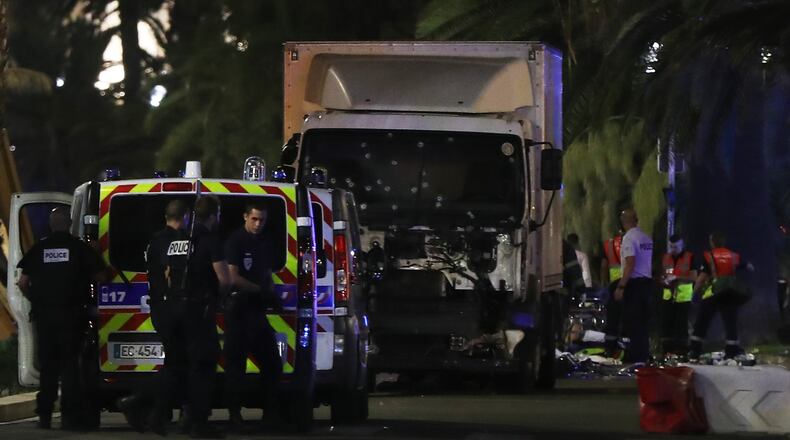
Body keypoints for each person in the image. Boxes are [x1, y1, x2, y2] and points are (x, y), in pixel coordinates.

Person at [16, 207, 107, 430]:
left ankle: (45, 416)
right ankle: (70, 416)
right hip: (71, 315)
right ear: (69, 224)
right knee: (69, 366)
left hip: (45, 316)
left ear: (50, 224)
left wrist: (35, 300)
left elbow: (22, 283)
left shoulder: (39, 248)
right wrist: (97, 255)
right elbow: (102, 277)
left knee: (48, 366)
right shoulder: (78, 248)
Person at [145, 197, 229, 438]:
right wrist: (217, 297)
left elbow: (168, 272)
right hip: (195, 310)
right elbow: (225, 280)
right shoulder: (206, 240)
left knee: (175, 364)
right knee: (202, 365)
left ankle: (156, 414)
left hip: (169, 307)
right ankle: (197, 422)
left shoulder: (168, 241)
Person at [223, 202, 283, 431]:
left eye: (262, 220)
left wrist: (272, 294)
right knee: (235, 367)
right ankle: (234, 415)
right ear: (245, 217)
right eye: (254, 219)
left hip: (256, 311)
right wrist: (261, 290)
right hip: (239, 310)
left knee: (272, 364)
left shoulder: (263, 242)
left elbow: (266, 272)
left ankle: (270, 414)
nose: (258, 224)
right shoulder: (236, 241)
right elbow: (232, 276)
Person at [688, 231, 752, 360]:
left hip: (714, 293)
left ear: (712, 242)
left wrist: (695, 293)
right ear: (724, 242)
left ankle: (695, 349)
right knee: (730, 322)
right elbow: (750, 266)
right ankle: (732, 350)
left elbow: (701, 278)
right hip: (730, 293)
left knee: (702, 321)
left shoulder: (709, 256)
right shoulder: (733, 255)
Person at [603, 208, 654, 363]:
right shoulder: (646, 238)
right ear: (636, 220)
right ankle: (643, 355)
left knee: (633, 322)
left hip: (634, 285)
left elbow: (630, 264)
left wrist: (621, 286)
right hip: (646, 283)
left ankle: (636, 357)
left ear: (624, 222)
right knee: (643, 323)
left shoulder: (629, 239)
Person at [658, 234, 696, 357]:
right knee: (666, 326)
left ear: (681, 245)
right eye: (671, 246)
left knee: (681, 326)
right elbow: (662, 275)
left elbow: (693, 277)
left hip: (683, 298)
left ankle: (681, 351)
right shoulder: (665, 258)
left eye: (675, 247)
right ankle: (666, 351)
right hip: (668, 297)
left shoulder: (689, 257)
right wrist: (664, 281)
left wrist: (677, 278)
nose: (673, 249)